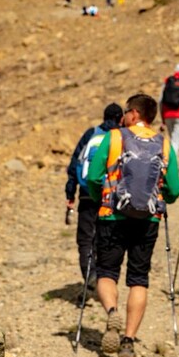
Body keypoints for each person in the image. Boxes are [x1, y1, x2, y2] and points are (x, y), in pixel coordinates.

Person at [86, 94, 179, 357]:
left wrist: (100, 199)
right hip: (148, 219)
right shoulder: (164, 143)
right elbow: (174, 188)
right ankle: (128, 341)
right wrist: (165, 200)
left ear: (135, 114)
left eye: (127, 111)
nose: (123, 116)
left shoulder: (114, 137)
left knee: (106, 271)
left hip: (112, 215)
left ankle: (112, 312)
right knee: (139, 278)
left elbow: (93, 177)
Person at [65, 103, 124, 286]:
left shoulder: (91, 133)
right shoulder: (122, 137)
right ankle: (105, 279)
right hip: (111, 195)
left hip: (87, 193)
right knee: (105, 236)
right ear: (121, 118)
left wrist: (70, 193)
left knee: (85, 237)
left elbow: (76, 163)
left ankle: (90, 274)